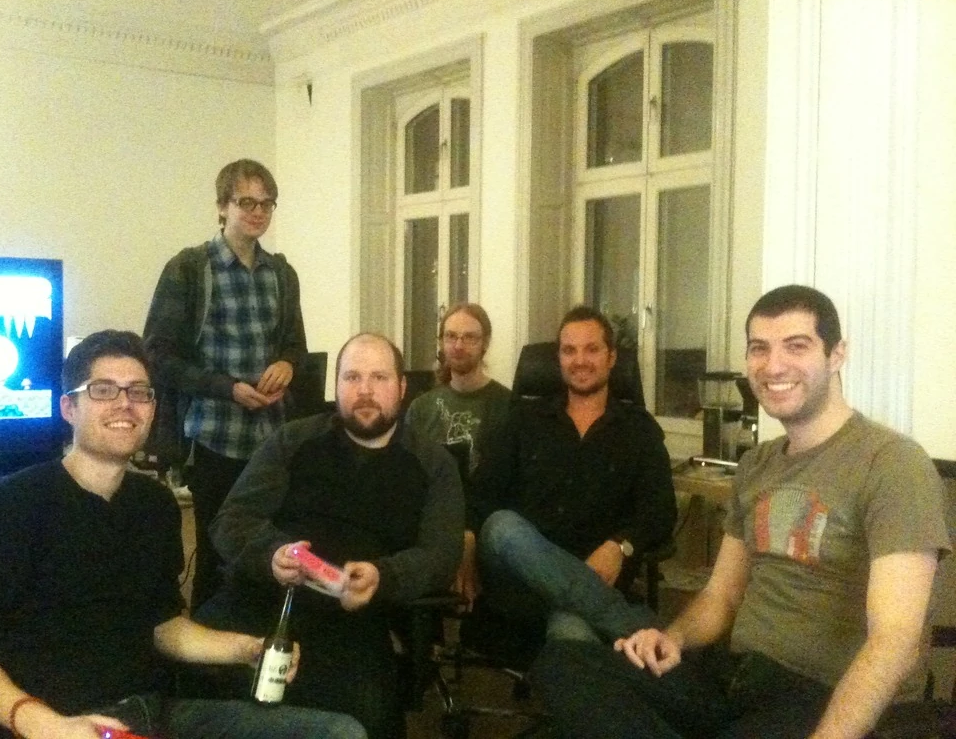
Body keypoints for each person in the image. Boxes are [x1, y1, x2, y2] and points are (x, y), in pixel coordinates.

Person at [532, 285, 952, 739]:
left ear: (836, 355)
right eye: (759, 348)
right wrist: (673, 639)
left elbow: (896, 639)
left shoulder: (891, 462)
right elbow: (722, 596)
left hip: (821, 694)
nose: (774, 366)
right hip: (733, 678)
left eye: (796, 346)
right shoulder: (757, 464)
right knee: (563, 663)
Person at [0, 330, 364, 739]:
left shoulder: (154, 505)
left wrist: (246, 650)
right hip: (55, 723)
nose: (124, 404)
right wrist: (40, 723)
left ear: (152, 408)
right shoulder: (9, 506)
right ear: (69, 407)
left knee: (339, 733)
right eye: (103, 390)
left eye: (139, 392)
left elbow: (162, 625)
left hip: (152, 713)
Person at [198, 333, 464, 739]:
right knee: (186, 680)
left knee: (365, 719)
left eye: (379, 378)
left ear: (402, 387)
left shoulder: (433, 463)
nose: (365, 390)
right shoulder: (292, 440)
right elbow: (232, 519)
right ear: (335, 386)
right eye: (352, 377)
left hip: (354, 617)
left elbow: (441, 554)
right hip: (264, 596)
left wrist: (384, 576)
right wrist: (271, 554)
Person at [143, 158, 307, 613]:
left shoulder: (282, 274)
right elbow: (157, 355)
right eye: (246, 202)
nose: (258, 212)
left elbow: (296, 346)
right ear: (222, 207)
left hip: (272, 438)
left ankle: (260, 644)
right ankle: (207, 647)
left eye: (266, 203)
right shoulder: (189, 269)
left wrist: (287, 365)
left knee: (270, 553)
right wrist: (226, 388)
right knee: (217, 557)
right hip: (213, 437)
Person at [468, 305, 676, 650]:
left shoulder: (639, 431)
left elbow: (661, 511)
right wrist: (467, 537)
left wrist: (620, 545)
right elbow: (481, 493)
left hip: (595, 575)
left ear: (611, 357)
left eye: (591, 349)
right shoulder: (523, 420)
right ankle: (637, 627)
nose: (580, 360)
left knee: (573, 637)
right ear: (559, 358)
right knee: (502, 525)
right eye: (569, 350)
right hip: (518, 579)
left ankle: (587, 628)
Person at [404, 302, 512, 606]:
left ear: (485, 343)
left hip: (485, 525)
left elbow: (507, 487)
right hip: (428, 521)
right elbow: (406, 479)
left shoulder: (508, 406)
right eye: (451, 336)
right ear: (441, 342)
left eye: (469, 337)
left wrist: (468, 530)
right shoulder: (421, 408)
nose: (459, 345)